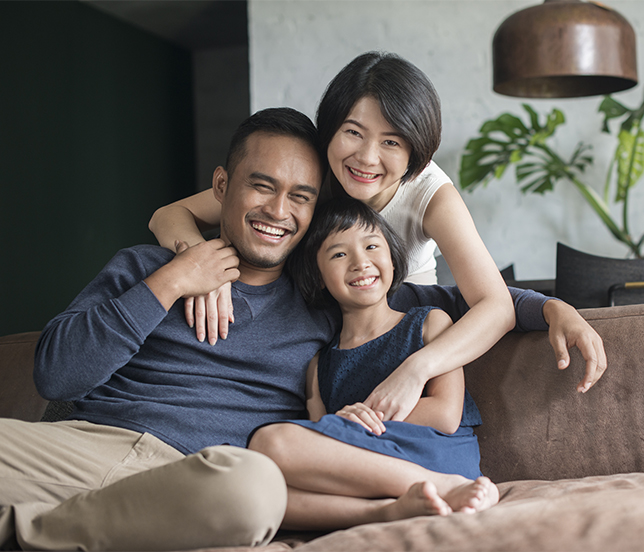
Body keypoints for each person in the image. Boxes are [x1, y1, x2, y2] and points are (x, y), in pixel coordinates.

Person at [1, 107, 601, 551]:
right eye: (262, 185)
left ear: (314, 213)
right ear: (220, 188)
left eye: (301, 197)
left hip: (203, 476)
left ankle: (26, 530)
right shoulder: (145, 265)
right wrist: (175, 278)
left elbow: (471, 300)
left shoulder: (324, 294)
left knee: (253, 490)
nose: (277, 211)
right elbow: (56, 374)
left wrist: (554, 309)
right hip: (81, 446)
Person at [148, 52, 607, 426]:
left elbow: (486, 304)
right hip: (313, 333)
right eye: (352, 132)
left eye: (392, 141)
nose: (366, 158)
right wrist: (201, 268)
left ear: (415, 149)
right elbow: (170, 215)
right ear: (329, 129)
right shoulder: (309, 175)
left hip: (390, 335)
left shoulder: (431, 196)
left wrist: (419, 367)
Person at [249, 198, 498, 530]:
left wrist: (360, 419)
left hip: (436, 455)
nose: (360, 262)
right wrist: (342, 422)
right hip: (367, 473)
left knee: (270, 443)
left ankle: (443, 486)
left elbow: (446, 414)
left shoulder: (429, 323)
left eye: (371, 246)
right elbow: (323, 441)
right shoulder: (319, 364)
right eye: (339, 254)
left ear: (393, 259)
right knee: (260, 492)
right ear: (318, 275)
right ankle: (390, 510)